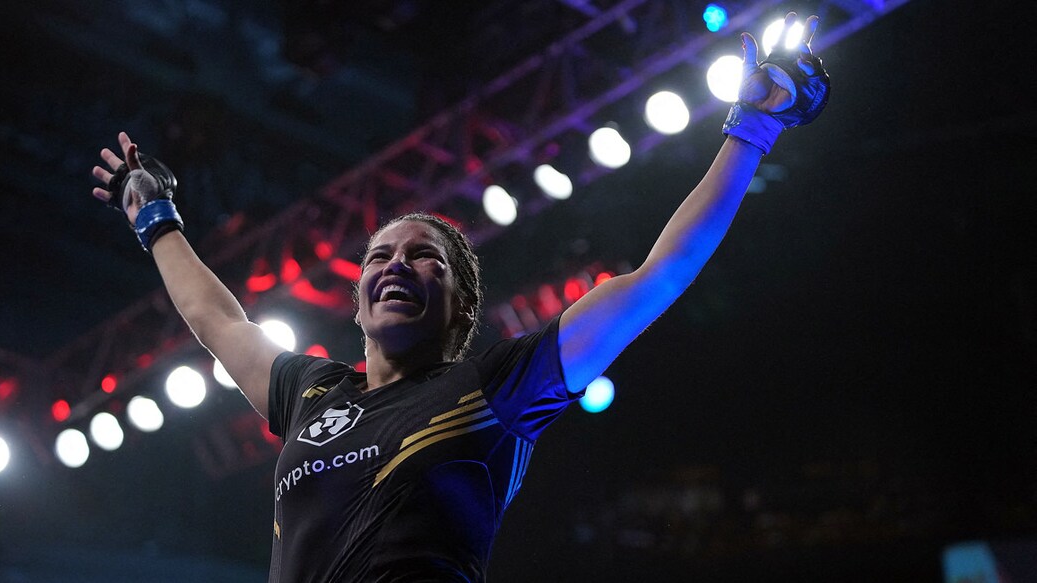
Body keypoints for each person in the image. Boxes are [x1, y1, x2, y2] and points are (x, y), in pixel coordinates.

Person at [91, 13, 828, 582]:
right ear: (356, 300)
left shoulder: (499, 385)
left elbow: (658, 276)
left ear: (462, 305)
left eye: (424, 257)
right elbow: (217, 318)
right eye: (379, 255)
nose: (395, 265)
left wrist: (754, 126)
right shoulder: (311, 394)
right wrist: (155, 217)